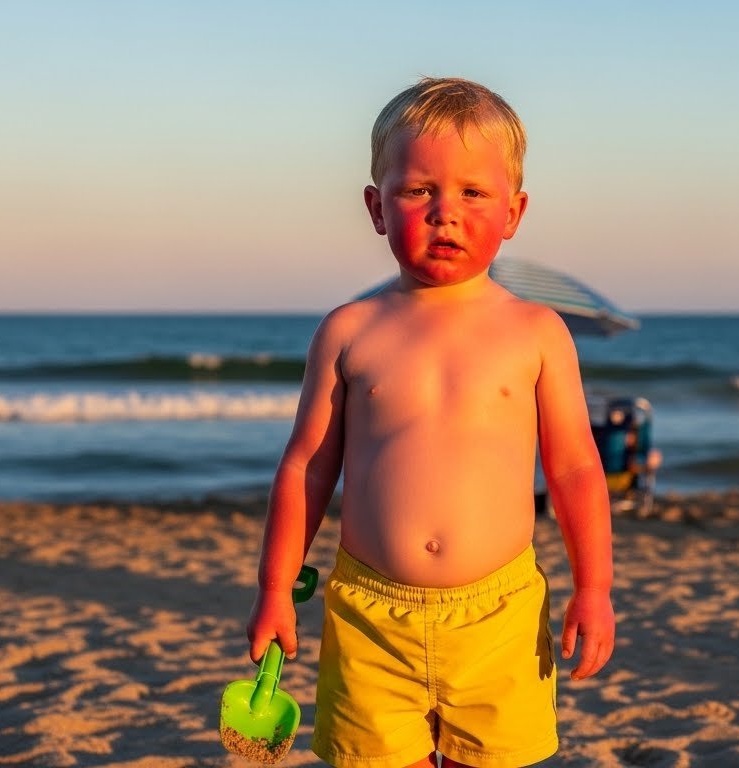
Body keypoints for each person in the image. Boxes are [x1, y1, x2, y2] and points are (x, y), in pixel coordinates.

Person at [244, 77, 615, 768]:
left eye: (473, 193)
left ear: (514, 211)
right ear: (376, 207)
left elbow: (573, 469)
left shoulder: (536, 331)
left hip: (499, 614)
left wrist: (593, 589)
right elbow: (306, 466)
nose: (446, 213)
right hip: (368, 612)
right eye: (418, 191)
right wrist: (274, 588)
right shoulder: (350, 330)